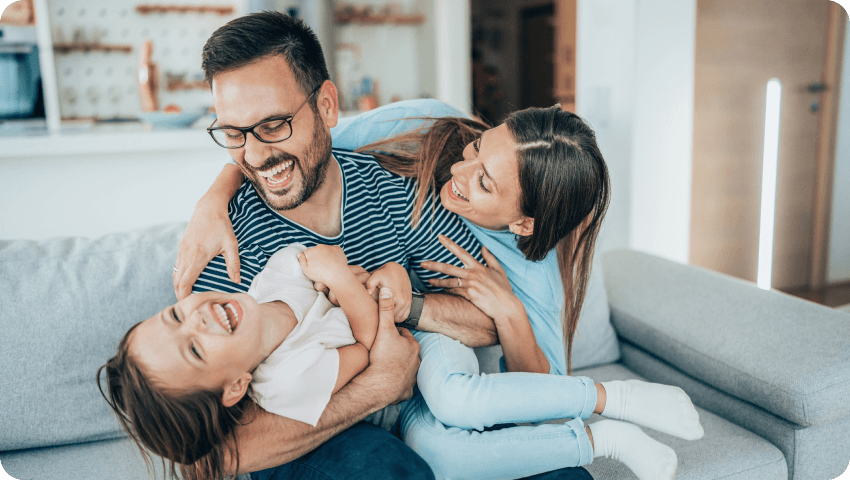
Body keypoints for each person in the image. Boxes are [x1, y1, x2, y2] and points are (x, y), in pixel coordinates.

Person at [165, 10, 593, 480]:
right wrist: (377, 386)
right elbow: (200, 456)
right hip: (318, 446)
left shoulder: (397, 192)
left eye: (273, 125)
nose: (253, 154)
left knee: (563, 475)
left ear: (327, 105)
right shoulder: (224, 244)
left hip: (414, 422)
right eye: (232, 132)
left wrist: (410, 304)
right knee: (381, 466)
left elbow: (485, 320)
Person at [99, 244, 411, 480]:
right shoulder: (288, 379)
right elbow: (372, 351)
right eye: (195, 350)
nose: (197, 319)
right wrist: (342, 281)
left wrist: (383, 276)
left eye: (175, 315)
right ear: (236, 386)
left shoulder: (276, 273)